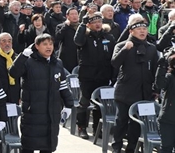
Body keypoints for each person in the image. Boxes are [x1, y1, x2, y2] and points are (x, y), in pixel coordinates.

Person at [9, 34, 74, 153]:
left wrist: (69, 105)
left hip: (51, 113)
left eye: (50, 44)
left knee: (48, 146)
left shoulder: (57, 63)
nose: (49, 47)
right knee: (29, 146)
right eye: (45, 44)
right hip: (32, 112)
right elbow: (13, 73)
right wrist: (22, 56)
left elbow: (63, 85)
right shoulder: (28, 61)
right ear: (37, 46)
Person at [111, 15, 159, 153]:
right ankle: (116, 147)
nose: (143, 31)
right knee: (121, 121)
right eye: (139, 29)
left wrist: (155, 89)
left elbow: (156, 69)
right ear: (131, 31)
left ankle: (131, 149)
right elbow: (114, 63)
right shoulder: (122, 45)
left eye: (145, 29)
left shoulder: (151, 48)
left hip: (144, 91)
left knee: (136, 124)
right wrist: (125, 49)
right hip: (125, 91)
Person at [73, 12, 115, 139]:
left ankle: (98, 128)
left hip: (103, 75)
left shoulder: (108, 36)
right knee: (84, 102)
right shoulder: (85, 36)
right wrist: (82, 23)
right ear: (89, 24)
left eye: (99, 22)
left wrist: (112, 76)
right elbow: (78, 41)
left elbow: (113, 56)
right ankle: (82, 127)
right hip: (87, 76)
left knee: (100, 104)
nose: (97, 24)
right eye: (94, 22)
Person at [155, 49, 175, 153]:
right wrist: (162, 65)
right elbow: (160, 84)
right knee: (166, 148)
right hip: (168, 120)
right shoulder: (170, 77)